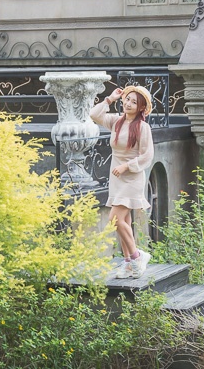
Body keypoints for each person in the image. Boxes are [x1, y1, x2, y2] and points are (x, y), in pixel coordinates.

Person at [90, 85, 154, 278]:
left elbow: (147, 156)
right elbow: (94, 114)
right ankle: (128, 263)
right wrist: (110, 99)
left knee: (114, 219)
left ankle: (137, 256)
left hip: (132, 177)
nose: (128, 104)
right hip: (116, 176)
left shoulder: (143, 127)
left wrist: (126, 166)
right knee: (123, 220)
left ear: (141, 107)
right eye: (127, 99)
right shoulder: (117, 122)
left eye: (134, 102)